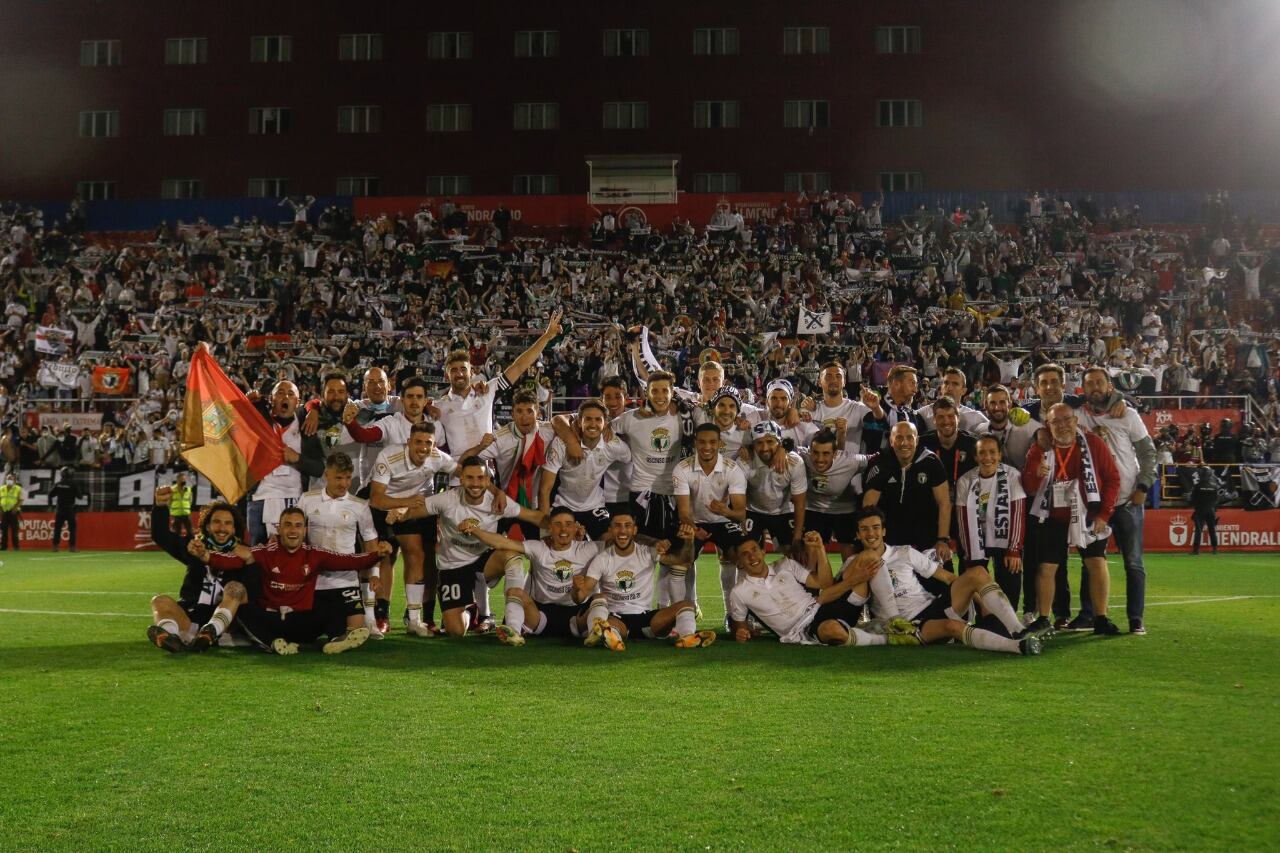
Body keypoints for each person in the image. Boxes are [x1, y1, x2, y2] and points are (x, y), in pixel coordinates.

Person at [386, 456, 545, 638]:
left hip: (484, 562)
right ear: (461, 480)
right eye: (470, 478)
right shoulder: (447, 499)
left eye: (480, 478)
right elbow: (414, 511)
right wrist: (400, 512)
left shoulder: (498, 502)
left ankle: (513, 624)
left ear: (487, 480)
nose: (475, 483)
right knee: (456, 631)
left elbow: (534, 517)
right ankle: (472, 611)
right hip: (453, 566)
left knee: (512, 556)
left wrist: (561, 526)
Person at [196, 508, 389, 655]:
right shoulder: (264, 552)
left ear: (305, 530)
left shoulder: (315, 555)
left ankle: (337, 639)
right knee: (244, 608)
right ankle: (272, 644)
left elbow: (350, 561)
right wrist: (206, 556)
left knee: (334, 599)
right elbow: (231, 561)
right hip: (271, 621)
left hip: (302, 622)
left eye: (298, 525)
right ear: (279, 529)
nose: (293, 530)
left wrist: (377, 555)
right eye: (288, 525)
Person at [852, 508, 1041, 655]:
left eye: (876, 527)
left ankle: (1018, 630)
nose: (871, 533)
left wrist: (982, 605)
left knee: (978, 572)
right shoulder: (854, 564)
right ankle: (1016, 646)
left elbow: (948, 577)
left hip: (931, 605)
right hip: (908, 625)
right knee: (953, 627)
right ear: (858, 534)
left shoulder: (904, 552)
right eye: (864, 529)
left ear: (884, 530)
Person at [1022, 403, 1122, 636]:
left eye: (1067, 419)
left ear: (1076, 421)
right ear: (1048, 425)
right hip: (1052, 515)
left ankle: (1101, 618)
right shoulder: (1039, 448)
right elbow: (1027, 485)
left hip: (1088, 514)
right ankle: (1045, 618)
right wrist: (1036, 475)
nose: (1063, 425)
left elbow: (1112, 479)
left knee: (1096, 563)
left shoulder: (1093, 443)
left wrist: (1105, 514)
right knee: (1046, 568)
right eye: (1056, 421)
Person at [1074, 367, 1156, 634]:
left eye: (1100, 382)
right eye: (1089, 384)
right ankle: (1088, 615)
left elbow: (1147, 453)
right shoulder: (1078, 415)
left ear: (1109, 386)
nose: (1095, 388)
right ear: (1083, 389)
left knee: (1133, 561)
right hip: (1094, 502)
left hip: (1127, 500)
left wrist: (1144, 485)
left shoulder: (1127, 414)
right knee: (1092, 560)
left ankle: (1136, 618)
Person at [458, 507, 608, 645]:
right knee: (514, 592)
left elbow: (618, 544)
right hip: (539, 617)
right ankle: (513, 633)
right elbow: (502, 542)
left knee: (600, 598)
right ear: (549, 527)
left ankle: (596, 633)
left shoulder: (590, 548)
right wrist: (475, 530)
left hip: (577, 618)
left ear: (576, 527)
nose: (563, 529)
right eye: (557, 524)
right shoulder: (538, 548)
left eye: (568, 524)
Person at [728, 533, 903, 646]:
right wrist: (741, 633)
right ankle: (886, 639)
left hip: (823, 607)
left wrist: (820, 549)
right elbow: (740, 627)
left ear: (763, 552)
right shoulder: (739, 592)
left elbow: (825, 584)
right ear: (739, 563)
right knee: (831, 630)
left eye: (755, 550)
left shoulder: (785, 564)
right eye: (745, 554)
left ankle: (895, 622)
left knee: (869, 557)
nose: (752, 557)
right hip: (806, 628)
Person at [571, 512, 712, 651]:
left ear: (634, 530)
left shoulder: (648, 553)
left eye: (627, 525)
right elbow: (581, 597)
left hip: (647, 620)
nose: (622, 530)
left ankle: (688, 637)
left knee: (687, 605)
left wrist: (689, 541)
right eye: (617, 526)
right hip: (617, 618)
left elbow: (683, 561)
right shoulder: (602, 559)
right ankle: (611, 637)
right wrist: (577, 590)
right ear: (610, 530)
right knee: (605, 615)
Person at [368, 422, 456, 636]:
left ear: (434, 445)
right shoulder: (389, 456)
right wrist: (407, 502)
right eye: (418, 442)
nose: (423, 448)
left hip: (410, 509)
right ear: (409, 442)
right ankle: (380, 616)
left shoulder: (437, 457)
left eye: (428, 443)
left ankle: (414, 620)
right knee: (384, 556)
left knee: (417, 555)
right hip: (381, 508)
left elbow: (463, 468)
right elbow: (376, 498)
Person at [147, 487, 255, 654]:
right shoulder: (195, 547)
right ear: (208, 526)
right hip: (190, 619)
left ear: (234, 528)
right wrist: (160, 506)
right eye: (216, 522)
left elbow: (252, 592)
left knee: (236, 588)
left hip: (224, 623)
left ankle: (210, 633)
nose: (222, 528)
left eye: (228, 523)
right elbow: (161, 535)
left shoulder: (244, 553)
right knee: (159, 601)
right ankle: (173, 638)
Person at [298, 452, 383, 639]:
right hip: (315, 581)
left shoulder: (359, 505)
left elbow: (370, 542)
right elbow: (298, 537)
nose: (344, 484)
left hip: (347, 581)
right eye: (338, 478)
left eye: (347, 478)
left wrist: (375, 574)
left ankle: (368, 619)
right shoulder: (307, 500)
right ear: (326, 475)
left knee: (356, 631)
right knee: (308, 633)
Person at [673, 422, 749, 619]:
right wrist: (693, 529)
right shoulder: (682, 468)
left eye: (712, 442)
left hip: (723, 521)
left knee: (739, 557)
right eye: (702, 442)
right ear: (695, 444)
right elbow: (682, 511)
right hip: (693, 521)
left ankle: (733, 615)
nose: (707, 447)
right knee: (684, 559)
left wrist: (726, 511)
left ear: (719, 444)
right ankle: (690, 608)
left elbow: (740, 513)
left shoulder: (732, 469)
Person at [539, 399, 632, 540]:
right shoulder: (561, 443)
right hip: (563, 505)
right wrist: (545, 530)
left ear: (605, 423)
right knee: (564, 544)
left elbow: (629, 458)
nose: (593, 424)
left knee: (612, 540)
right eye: (588, 419)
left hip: (595, 507)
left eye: (598, 420)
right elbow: (544, 489)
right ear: (579, 422)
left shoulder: (613, 445)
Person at [955, 435, 1028, 611]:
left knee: (1011, 573)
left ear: (1000, 454)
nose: (987, 457)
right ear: (976, 457)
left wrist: (1014, 549)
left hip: (1004, 537)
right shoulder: (966, 480)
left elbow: (1018, 513)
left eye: (992, 452)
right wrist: (970, 557)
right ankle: (981, 619)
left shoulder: (1012, 476)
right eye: (982, 453)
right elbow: (963, 520)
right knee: (973, 576)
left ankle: (1008, 623)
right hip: (976, 539)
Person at [862, 422, 952, 561]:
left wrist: (942, 540)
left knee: (941, 580)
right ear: (891, 441)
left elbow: (944, 503)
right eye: (898, 438)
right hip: (891, 536)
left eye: (910, 437)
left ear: (917, 440)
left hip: (927, 534)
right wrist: (872, 542)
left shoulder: (931, 462)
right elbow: (868, 507)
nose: (904, 443)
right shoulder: (881, 464)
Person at [744, 422, 807, 554]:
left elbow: (800, 502)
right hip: (752, 510)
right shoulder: (744, 461)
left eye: (770, 441)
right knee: (747, 553)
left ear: (779, 443)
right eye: (759, 443)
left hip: (783, 511)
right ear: (753, 445)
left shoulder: (794, 463)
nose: (765, 447)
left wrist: (796, 538)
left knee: (794, 554)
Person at [1188, 459, 1221, 555]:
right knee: (1212, 530)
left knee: (1198, 530)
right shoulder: (1214, 486)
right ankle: (1215, 549)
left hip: (1200, 510)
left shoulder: (1197, 486)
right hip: (1211, 510)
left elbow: (1193, 500)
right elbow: (1216, 500)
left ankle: (1196, 550)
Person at [49, 466, 81, 553]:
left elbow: (51, 494)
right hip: (70, 509)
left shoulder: (58, 484)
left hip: (60, 509)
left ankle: (55, 547)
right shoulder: (74, 484)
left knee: (58, 528)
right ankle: (72, 547)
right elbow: (80, 496)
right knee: (72, 529)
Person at [168, 471, 194, 539]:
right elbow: (169, 502)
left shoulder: (188, 489)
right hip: (176, 515)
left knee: (190, 532)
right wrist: (171, 512)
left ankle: (190, 547)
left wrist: (186, 508)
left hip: (186, 514)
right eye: (181, 479)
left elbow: (190, 501)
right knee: (176, 533)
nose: (183, 481)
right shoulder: (172, 489)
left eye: (184, 479)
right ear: (177, 480)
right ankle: (176, 547)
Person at [0, 472, 22, 550]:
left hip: (14, 512)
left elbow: (20, 500)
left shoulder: (18, 488)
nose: (9, 480)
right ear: (6, 479)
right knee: (4, 530)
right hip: (4, 511)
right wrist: (0, 509)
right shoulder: (1, 488)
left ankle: (16, 547)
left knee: (14, 530)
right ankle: (3, 547)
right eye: (8, 478)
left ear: (14, 480)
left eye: (11, 479)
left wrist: (15, 509)